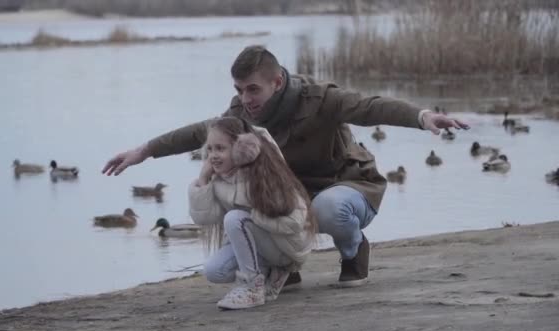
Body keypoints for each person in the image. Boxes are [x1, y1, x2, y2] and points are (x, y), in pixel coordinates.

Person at [102, 45, 469, 286]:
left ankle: (354, 250)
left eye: (252, 89)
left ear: (277, 82)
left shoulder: (321, 98)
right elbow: (199, 131)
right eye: (239, 89)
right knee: (235, 244)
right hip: (290, 200)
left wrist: (422, 117)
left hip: (346, 186)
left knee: (329, 209)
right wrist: (144, 150)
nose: (244, 99)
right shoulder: (240, 113)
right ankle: (284, 265)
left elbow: (372, 106)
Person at [189, 117, 316, 309]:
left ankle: (252, 287)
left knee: (235, 219)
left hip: (285, 247)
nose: (213, 156)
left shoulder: (265, 175)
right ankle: (268, 274)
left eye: (220, 148)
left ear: (241, 149)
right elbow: (205, 218)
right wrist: (203, 180)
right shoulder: (220, 179)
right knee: (214, 271)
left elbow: (295, 222)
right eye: (210, 149)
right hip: (259, 245)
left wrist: (251, 217)